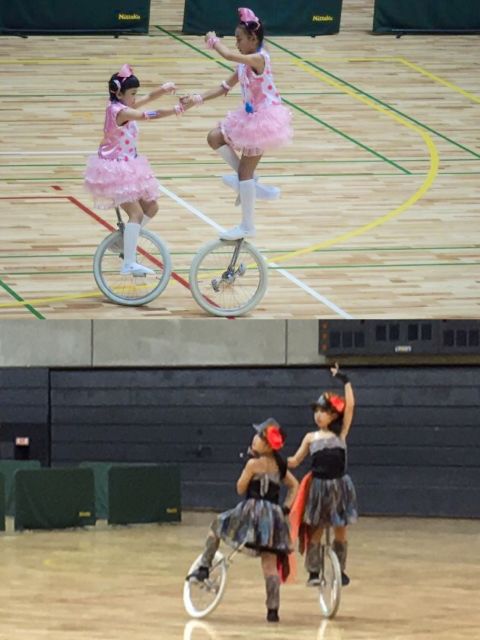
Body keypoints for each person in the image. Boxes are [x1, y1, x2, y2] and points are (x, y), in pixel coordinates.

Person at [181, 7, 293, 240]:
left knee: (244, 173)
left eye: (239, 39)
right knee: (214, 137)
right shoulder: (244, 64)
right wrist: (196, 98)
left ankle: (247, 225)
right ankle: (252, 184)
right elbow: (224, 87)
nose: (237, 44)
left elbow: (229, 55)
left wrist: (213, 41)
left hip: (264, 120)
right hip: (249, 116)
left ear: (253, 39)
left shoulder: (259, 58)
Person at [187, 418, 298, 623]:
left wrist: (248, 468)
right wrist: (286, 507)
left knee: (217, 525)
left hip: (253, 512)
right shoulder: (279, 466)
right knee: (269, 564)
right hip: (273, 518)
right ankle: (273, 610)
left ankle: (203, 567)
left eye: (258, 436)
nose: (254, 438)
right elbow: (294, 485)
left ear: (267, 445)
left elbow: (240, 488)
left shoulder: (253, 464)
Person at [84, 63, 184, 275]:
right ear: (119, 93)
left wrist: (163, 89)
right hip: (115, 171)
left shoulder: (122, 106)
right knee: (136, 214)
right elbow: (150, 114)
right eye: (132, 94)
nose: (134, 98)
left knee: (152, 207)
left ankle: (124, 241)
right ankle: (128, 262)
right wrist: (177, 109)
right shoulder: (119, 112)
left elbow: (146, 99)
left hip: (128, 166)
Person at [288, 363, 357, 587]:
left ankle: (340, 570)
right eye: (316, 411)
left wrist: (345, 380)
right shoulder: (310, 438)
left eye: (323, 411)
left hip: (339, 487)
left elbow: (350, 406)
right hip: (318, 488)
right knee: (316, 530)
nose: (318, 415)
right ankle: (314, 572)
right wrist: (275, 460)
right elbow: (295, 461)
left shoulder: (341, 435)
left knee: (340, 531)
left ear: (333, 415)